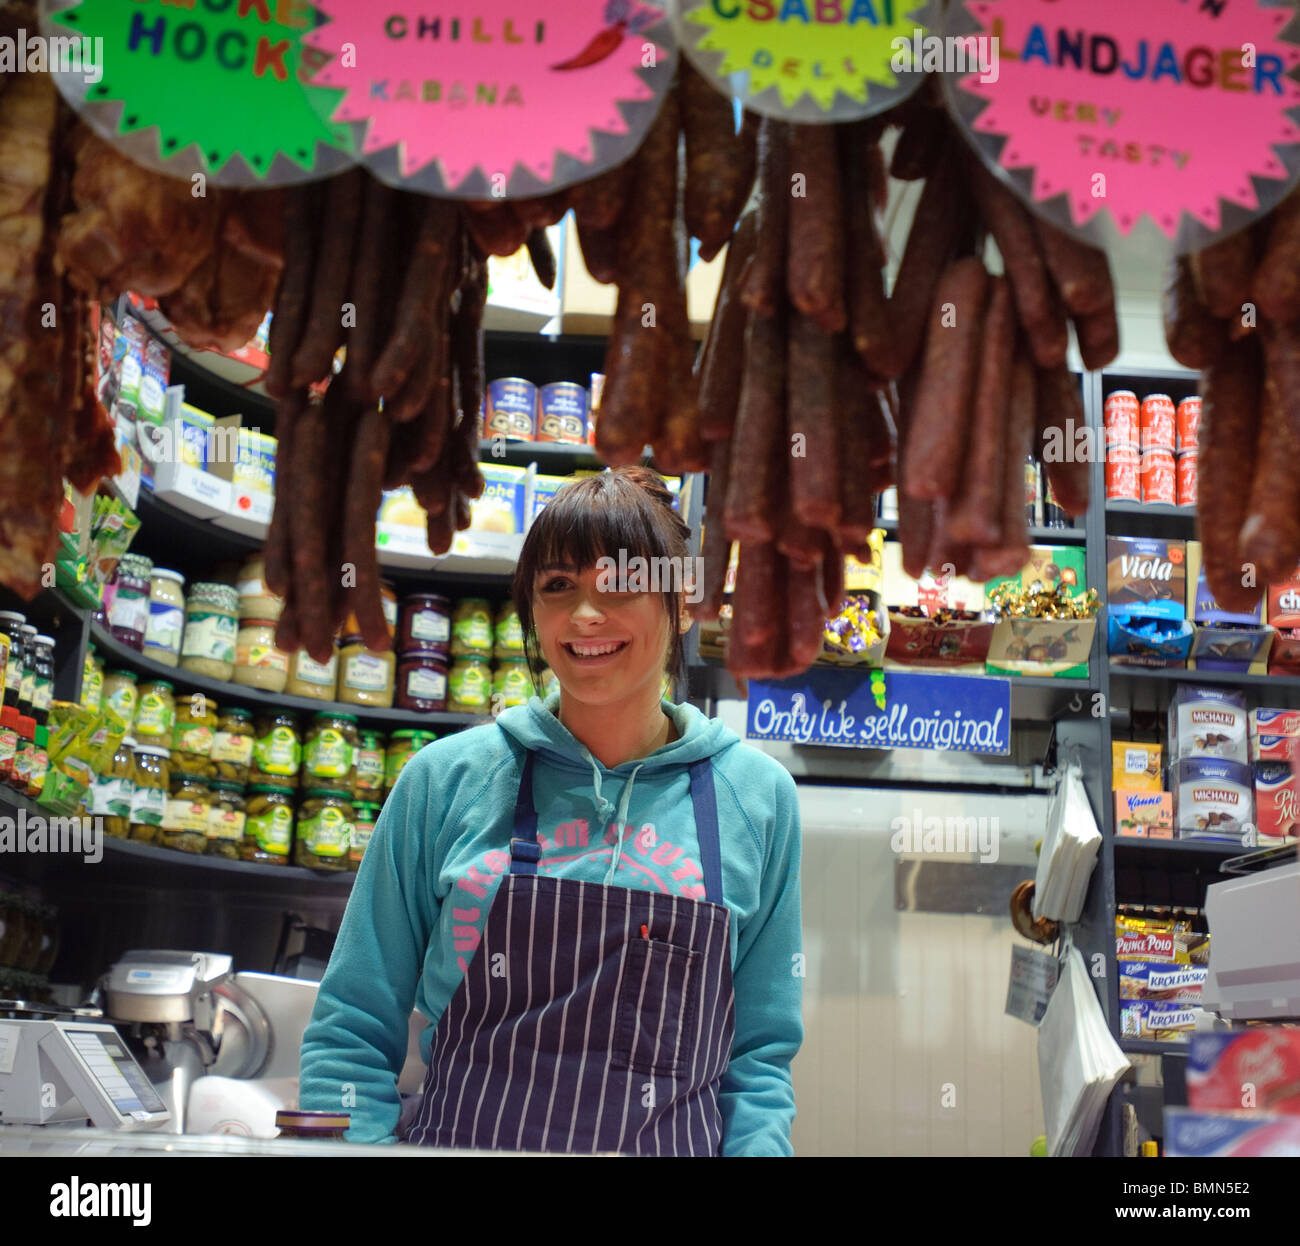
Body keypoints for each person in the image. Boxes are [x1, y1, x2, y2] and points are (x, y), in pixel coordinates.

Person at [299, 466, 804, 1155]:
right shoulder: (445, 780)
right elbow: (354, 1022)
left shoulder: (757, 797)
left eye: (619, 584)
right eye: (558, 587)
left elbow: (759, 1061)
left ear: (682, 603)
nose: (585, 615)